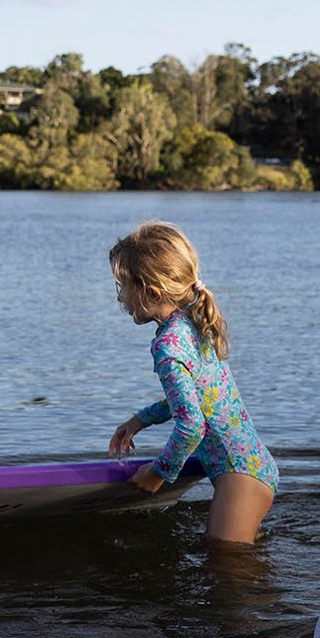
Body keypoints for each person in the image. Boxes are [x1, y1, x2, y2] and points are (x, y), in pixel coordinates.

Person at [107, 222, 278, 544]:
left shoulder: (168, 346)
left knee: (230, 573)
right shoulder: (192, 323)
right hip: (252, 465)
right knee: (239, 565)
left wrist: (158, 473)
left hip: (238, 476)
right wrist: (141, 419)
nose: (120, 297)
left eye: (123, 287)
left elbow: (192, 424)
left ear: (151, 292)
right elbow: (203, 397)